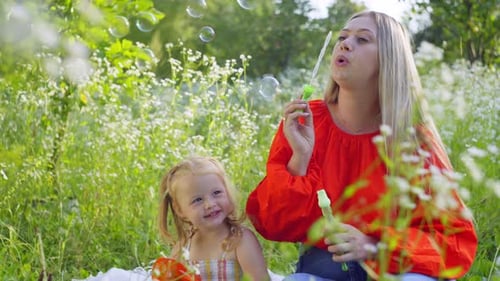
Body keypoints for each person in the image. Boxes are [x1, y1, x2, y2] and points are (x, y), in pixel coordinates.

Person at [246, 10, 477, 281]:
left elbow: (455, 241)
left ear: (389, 61)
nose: (345, 43)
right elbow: (273, 224)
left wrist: (375, 245)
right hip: (325, 268)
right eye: (342, 37)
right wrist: (301, 155)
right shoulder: (307, 123)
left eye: (363, 39)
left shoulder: (413, 141)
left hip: (396, 270)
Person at [159, 156, 272, 281]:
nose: (210, 204)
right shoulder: (184, 247)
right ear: (180, 210)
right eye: (198, 200)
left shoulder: (241, 241)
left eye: (217, 193)